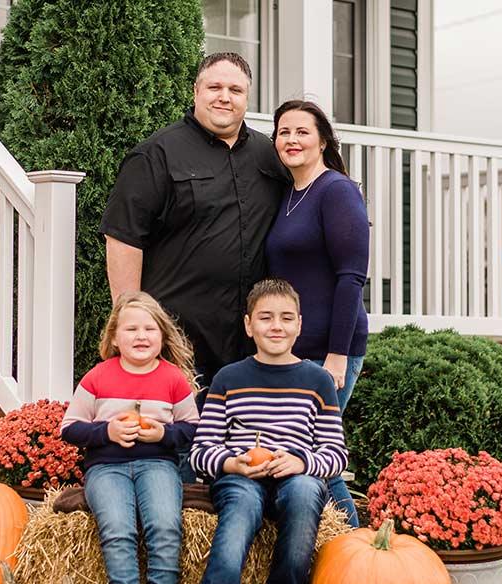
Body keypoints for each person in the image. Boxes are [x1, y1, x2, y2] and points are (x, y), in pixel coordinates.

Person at [100, 52, 290, 397]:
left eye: (235, 89)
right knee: (179, 444)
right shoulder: (156, 155)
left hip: (252, 343)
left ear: (247, 98)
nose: (224, 96)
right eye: (214, 86)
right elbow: (124, 238)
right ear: (195, 92)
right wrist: (129, 322)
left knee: (245, 448)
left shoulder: (270, 156)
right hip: (179, 341)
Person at [191, 278, 348, 584]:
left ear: (299, 325)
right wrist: (231, 463)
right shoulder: (228, 378)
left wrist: (302, 462)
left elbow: (336, 453)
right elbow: (201, 450)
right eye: (266, 317)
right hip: (241, 477)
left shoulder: (318, 381)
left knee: (305, 491)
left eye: (286, 318)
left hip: (296, 478)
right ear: (249, 325)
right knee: (241, 507)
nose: (277, 326)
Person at [265, 100, 369, 527]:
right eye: (283, 132)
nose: (291, 140)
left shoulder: (337, 191)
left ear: (322, 140)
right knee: (300, 455)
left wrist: (338, 355)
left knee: (314, 458)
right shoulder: (289, 193)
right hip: (292, 351)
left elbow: (351, 277)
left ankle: (359, 555)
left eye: (301, 131)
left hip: (330, 350)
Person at [59, 292, 200, 584]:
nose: (141, 336)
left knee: (164, 527)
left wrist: (163, 433)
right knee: (118, 530)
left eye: (149, 329)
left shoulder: (172, 378)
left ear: (161, 336)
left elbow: (192, 427)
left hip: (157, 465)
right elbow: (70, 428)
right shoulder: (97, 377)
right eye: (131, 329)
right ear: (113, 338)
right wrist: (106, 431)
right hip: (106, 469)